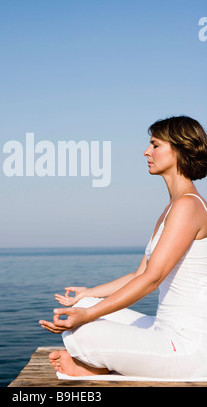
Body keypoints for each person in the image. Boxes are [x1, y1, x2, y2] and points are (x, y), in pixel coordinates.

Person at [39, 115, 207, 379]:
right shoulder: (172, 208)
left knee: (84, 329)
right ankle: (103, 362)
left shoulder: (188, 206)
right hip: (162, 330)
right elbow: (139, 274)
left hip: (189, 348)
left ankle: (97, 366)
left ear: (180, 149)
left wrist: (87, 315)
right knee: (87, 305)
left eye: (155, 145)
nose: (146, 151)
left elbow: (152, 280)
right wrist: (88, 294)